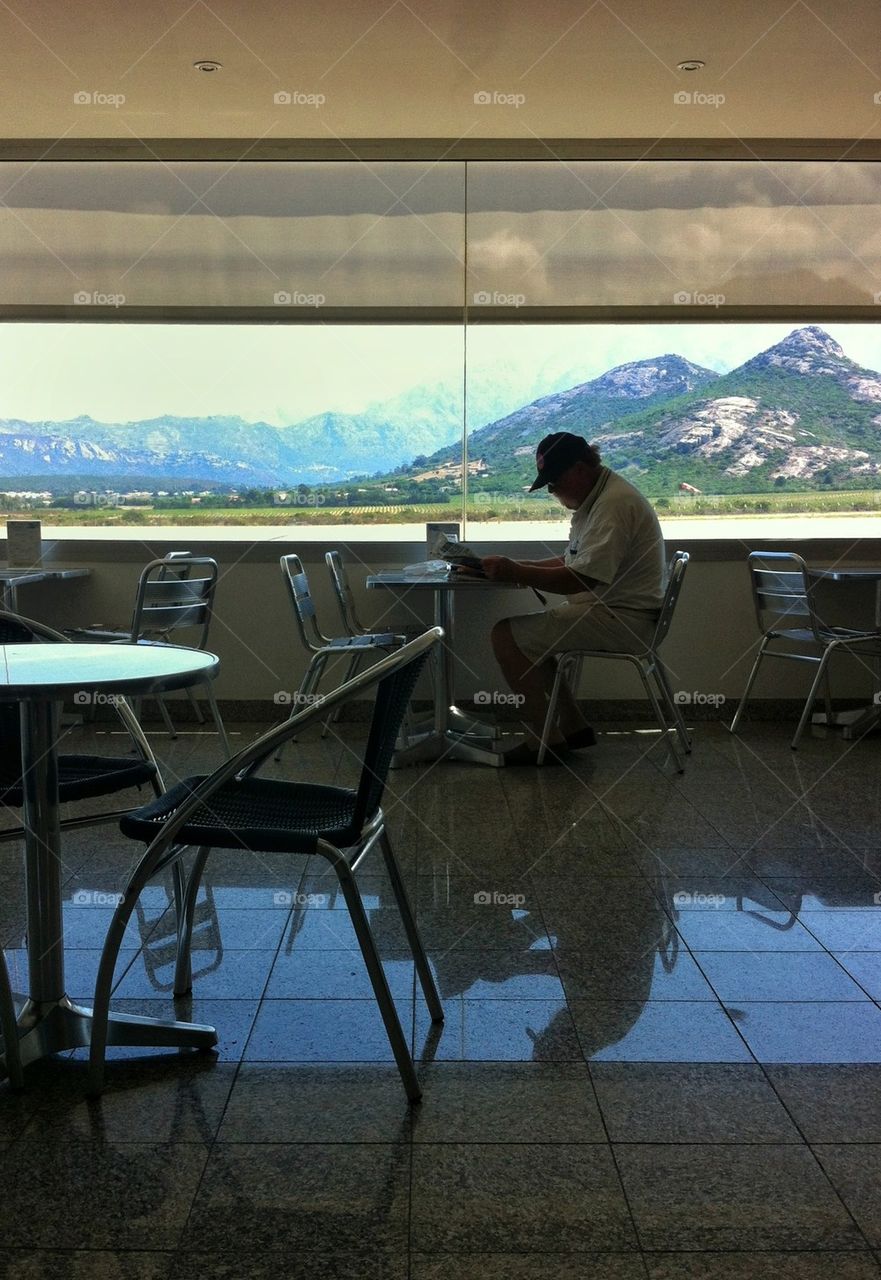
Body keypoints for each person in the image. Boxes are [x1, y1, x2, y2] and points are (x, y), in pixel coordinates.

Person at [479, 431, 667, 765]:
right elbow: (574, 563)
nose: (552, 491)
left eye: (554, 482)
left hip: (623, 619)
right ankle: (573, 726)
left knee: (505, 636)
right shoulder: (599, 498)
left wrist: (517, 571)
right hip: (619, 611)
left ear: (580, 469)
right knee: (531, 641)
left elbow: (581, 579)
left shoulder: (613, 505)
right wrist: (515, 567)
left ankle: (544, 739)